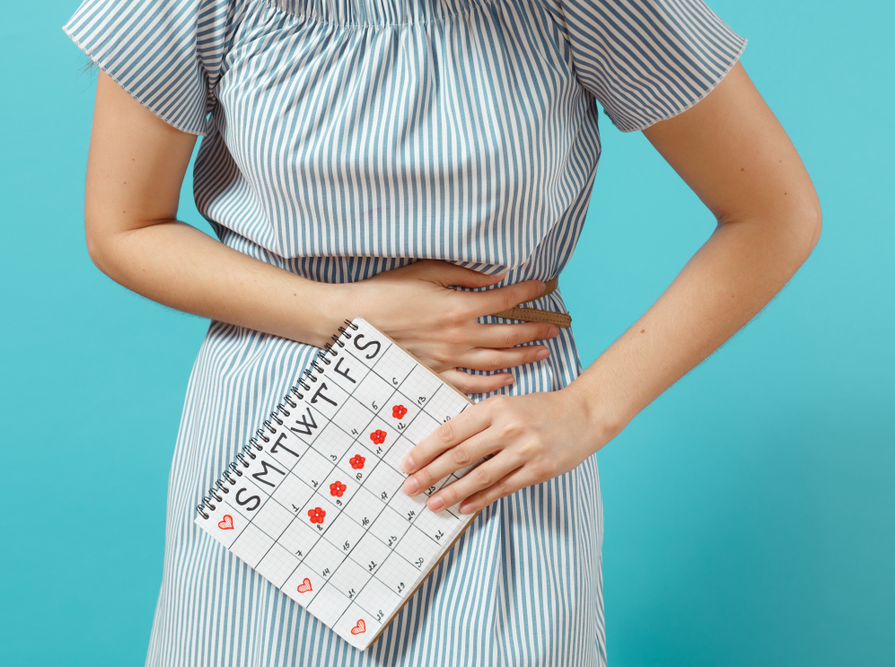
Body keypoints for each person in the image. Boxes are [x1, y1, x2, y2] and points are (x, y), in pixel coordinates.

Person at [63, 0, 820, 664]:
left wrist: (590, 409)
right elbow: (123, 227)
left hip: (487, 444)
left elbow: (774, 214)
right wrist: (340, 312)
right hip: (274, 440)